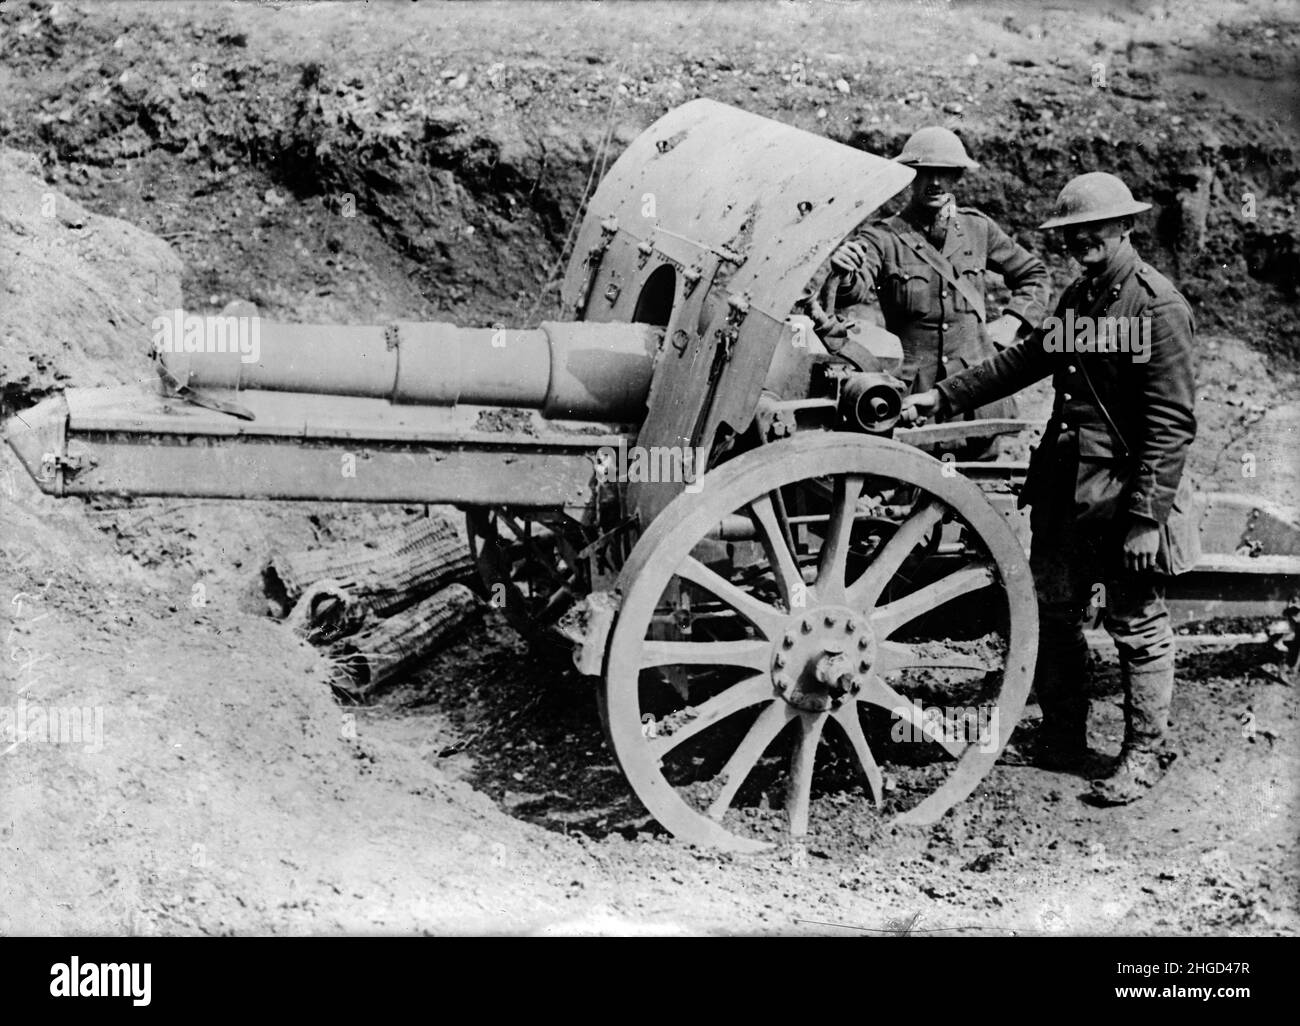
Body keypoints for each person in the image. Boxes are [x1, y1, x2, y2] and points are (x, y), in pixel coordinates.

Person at [902, 171, 1199, 806]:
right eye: (1068, 234)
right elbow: (1025, 360)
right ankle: (1064, 737)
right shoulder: (1081, 299)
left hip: (1123, 496)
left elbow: (1171, 424)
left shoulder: (1156, 306)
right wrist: (943, 396)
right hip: (1066, 489)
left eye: (1092, 229)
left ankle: (1144, 755)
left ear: (1125, 227)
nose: (1080, 241)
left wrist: (1148, 518)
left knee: (1136, 622)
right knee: (1053, 615)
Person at [827, 126, 1051, 453]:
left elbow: (1034, 274)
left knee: (980, 486)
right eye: (923, 173)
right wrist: (844, 271)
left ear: (957, 176)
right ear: (908, 176)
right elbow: (854, 289)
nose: (934, 182)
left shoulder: (978, 228)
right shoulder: (882, 237)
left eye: (944, 174)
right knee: (910, 486)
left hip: (977, 394)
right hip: (913, 399)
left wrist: (1012, 321)